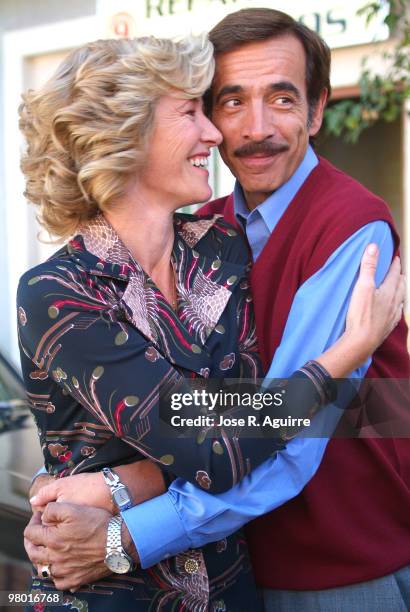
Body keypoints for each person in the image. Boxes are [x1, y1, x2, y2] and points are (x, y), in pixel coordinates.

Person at [23, 11, 408, 612]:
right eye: (222, 104)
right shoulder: (204, 234)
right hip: (163, 584)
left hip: (335, 562)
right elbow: (208, 424)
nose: (244, 130)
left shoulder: (318, 235)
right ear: (127, 136)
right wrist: (94, 479)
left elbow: (251, 430)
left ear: (315, 110)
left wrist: (119, 511)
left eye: (282, 99)